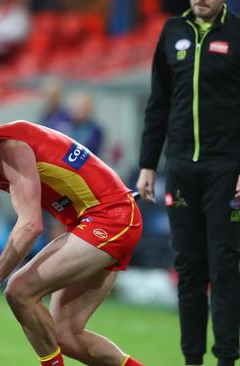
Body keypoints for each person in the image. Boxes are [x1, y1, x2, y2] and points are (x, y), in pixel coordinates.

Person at [0, 121, 144, 366]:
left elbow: (30, 226)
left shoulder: (11, 147)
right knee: (65, 335)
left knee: (19, 290)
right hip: (92, 222)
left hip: (111, 218)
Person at [136, 1, 240, 365]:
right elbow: (159, 101)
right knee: (189, 269)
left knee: (225, 268)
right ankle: (191, 360)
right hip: (180, 168)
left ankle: (227, 359)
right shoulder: (172, 32)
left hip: (226, 169)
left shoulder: (237, 33)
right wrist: (148, 163)